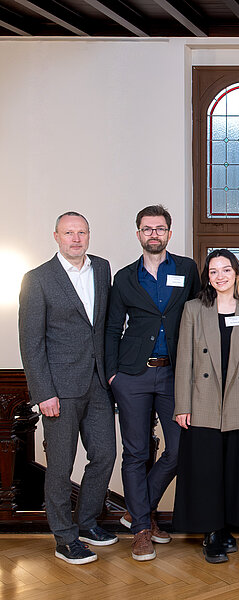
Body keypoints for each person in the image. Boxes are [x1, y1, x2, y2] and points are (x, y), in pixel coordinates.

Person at [18, 212, 116, 564]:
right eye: (69, 233)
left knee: (105, 454)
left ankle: (87, 522)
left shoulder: (102, 269)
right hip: (59, 388)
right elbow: (31, 342)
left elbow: (103, 327)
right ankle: (64, 538)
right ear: (56, 236)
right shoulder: (38, 279)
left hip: (98, 383)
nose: (76, 239)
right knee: (60, 467)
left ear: (89, 235)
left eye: (82, 232)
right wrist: (43, 392)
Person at [105, 204, 201, 561]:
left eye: (160, 229)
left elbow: (199, 313)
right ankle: (143, 530)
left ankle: (136, 511)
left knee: (178, 450)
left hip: (175, 373)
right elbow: (113, 327)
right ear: (139, 234)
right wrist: (113, 373)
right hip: (132, 374)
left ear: (169, 234)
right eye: (147, 229)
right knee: (136, 452)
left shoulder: (187, 269)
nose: (154, 234)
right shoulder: (125, 277)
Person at [172, 249, 239, 564]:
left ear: (236, 273)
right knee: (206, 471)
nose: (219, 276)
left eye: (225, 270)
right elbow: (184, 359)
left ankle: (227, 529)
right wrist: (182, 404)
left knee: (235, 469)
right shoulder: (194, 309)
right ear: (207, 277)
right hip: (203, 399)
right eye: (213, 271)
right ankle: (211, 534)